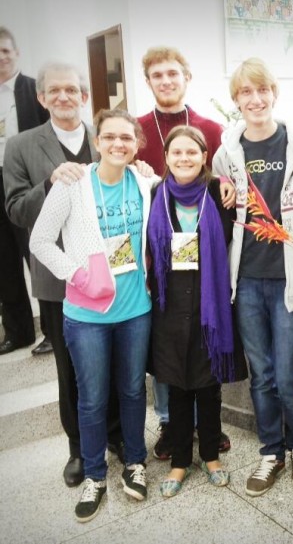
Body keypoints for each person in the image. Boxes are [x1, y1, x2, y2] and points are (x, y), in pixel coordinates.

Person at [29, 108, 158, 522]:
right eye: (110, 137)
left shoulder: (144, 181)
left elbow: (187, 181)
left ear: (137, 143)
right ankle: (95, 474)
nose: (119, 144)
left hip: (136, 310)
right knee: (91, 399)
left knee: (134, 390)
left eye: (127, 137)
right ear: (97, 141)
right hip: (87, 315)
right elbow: (40, 240)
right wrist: (76, 273)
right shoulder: (72, 184)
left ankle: (135, 462)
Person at [3, 62, 125, 488]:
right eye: (53, 91)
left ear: (84, 96)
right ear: (40, 98)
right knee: (71, 368)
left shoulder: (106, 136)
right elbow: (15, 208)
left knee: (113, 362)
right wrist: (49, 185)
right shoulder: (20, 146)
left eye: (71, 90)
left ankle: (115, 437)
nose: (63, 97)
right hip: (60, 281)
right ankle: (78, 447)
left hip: (113, 275)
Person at [212, 57, 293, 497]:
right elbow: (214, 184)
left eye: (262, 91)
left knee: (290, 374)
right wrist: (219, 185)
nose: (255, 100)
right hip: (248, 278)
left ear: (274, 93)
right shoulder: (227, 147)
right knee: (263, 375)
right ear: (236, 100)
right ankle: (270, 451)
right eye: (245, 93)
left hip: (288, 276)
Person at [136, 46, 234, 458]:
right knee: (168, 348)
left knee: (199, 345)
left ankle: (208, 429)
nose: (165, 81)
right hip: (162, 266)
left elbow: (228, 172)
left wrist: (228, 182)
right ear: (149, 81)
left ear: (186, 77)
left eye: (172, 73)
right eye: (157, 75)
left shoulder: (211, 127)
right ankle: (168, 426)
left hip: (206, 265)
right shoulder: (138, 129)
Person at [148, 125, 248, 498]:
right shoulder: (157, 194)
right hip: (170, 305)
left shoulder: (218, 193)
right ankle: (179, 461)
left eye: (192, 152)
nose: (185, 158)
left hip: (211, 305)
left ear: (204, 156)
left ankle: (210, 456)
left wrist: (224, 180)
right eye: (177, 153)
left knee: (208, 387)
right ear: (167, 158)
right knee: (175, 385)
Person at [0, 26, 52, 356]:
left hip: (27, 183)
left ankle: (50, 330)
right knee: (3, 259)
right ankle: (17, 331)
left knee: (37, 255)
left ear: (17, 53)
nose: (1, 58)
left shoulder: (35, 90)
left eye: (6, 51)